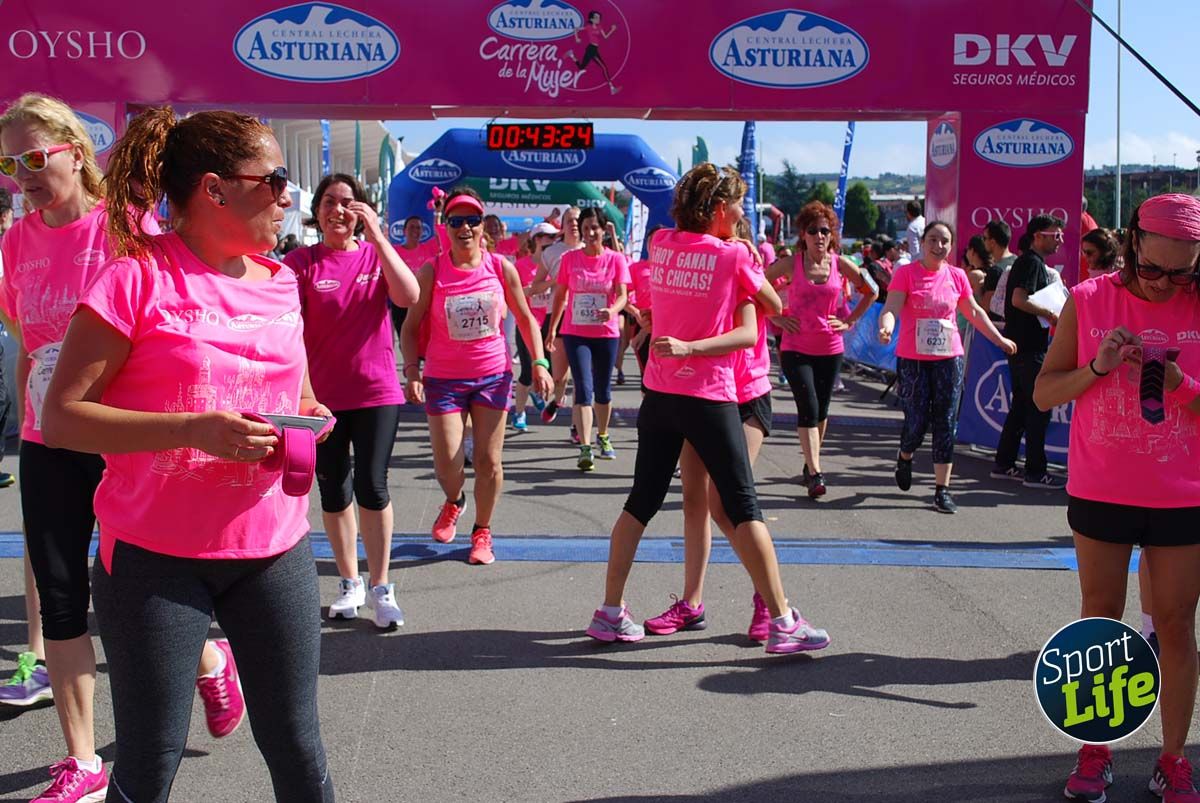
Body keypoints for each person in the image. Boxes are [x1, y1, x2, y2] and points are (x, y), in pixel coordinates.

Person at [41, 106, 335, 801]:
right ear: (215, 189)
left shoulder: (282, 280)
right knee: (150, 758)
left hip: (272, 548)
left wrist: (310, 414)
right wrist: (189, 429)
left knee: (297, 743)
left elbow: (297, 385)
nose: (288, 196)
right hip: (153, 558)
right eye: (276, 180)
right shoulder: (133, 280)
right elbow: (61, 418)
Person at [0, 95, 245, 801]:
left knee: (138, 580)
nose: (24, 175)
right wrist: (29, 423)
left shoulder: (125, 229)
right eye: (10, 164)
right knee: (61, 592)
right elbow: (32, 343)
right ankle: (81, 759)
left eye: (36, 158)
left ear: (76, 150)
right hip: (51, 438)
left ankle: (207, 653)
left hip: (123, 434)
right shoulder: (17, 242)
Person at [586, 163, 830, 654]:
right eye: (738, 205)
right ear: (719, 210)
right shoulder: (734, 254)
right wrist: (744, 264)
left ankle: (610, 611)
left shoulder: (661, 244)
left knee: (641, 501)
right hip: (709, 395)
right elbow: (770, 302)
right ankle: (783, 620)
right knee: (744, 506)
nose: (742, 215)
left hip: (660, 394)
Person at [1033, 193, 1200, 803]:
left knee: (1178, 626)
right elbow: (1045, 394)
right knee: (1101, 621)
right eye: (1154, 269)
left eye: (1181, 273)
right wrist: (1099, 368)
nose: (1164, 286)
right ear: (1132, 243)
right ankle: (1096, 748)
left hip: (1183, 494)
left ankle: (1174, 759)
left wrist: (1181, 385)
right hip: (1104, 487)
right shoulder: (1089, 299)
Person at [644, 216, 791, 639]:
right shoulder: (700, 267)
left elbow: (773, 307)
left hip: (746, 394)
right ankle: (691, 603)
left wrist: (744, 260)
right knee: (694, 500)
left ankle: (768, 597)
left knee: (727, 502)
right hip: (705, 393)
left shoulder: (739, 261)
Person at [285, 174, 419, 629]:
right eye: (328, 202)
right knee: (334, 488)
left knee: (372, 485)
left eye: (348, 203)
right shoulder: (301, 261)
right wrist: (301, 396)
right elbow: (287, 331)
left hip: (376, 392)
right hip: (321, 401)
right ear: (317, 212)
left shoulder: (373, 255)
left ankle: (382, 587)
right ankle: (350, 583)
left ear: (361, 210)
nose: (337, 210)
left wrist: (378, 235)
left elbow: (409, 295)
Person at [401, 187, 552, 564]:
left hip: (491, 375)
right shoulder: (431, 270)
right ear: (446, 226)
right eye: (456, 220)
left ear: (483, 225)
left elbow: (526, 318)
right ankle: (455, 500)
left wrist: (539, 363)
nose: (464, 227)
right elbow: (409, 327)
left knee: (488, 461)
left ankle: (482, 531)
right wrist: (411, 371)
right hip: (444, 379)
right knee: (448, 463)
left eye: (472, 220)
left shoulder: (501, 268)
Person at [878, 221, 1017, 513]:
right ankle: (905, 455)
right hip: (913, 360)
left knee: (946, 422)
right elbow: (891, 308)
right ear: (923, 242)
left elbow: (974, 312)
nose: (938, 246)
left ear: (952, 247)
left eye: (944, 241)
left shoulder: (957, 276)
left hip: (948, 358)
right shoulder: (906, 274)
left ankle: (942, 489)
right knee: (916, 421)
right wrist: (886, 327)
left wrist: (999, 338)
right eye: (932, 239)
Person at [771, 201, 876, 498]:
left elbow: (872, 290)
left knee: (822, 410)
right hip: (795, 347)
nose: (819, 236)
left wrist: (849, 321)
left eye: (825, 231)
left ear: (832, 236)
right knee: (809, 407)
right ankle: (816, 472)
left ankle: (809, 462)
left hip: (830, 346)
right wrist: (775, 316)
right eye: (813, 230)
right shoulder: (792, 263)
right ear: (802, 234)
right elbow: (754, 287)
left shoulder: (840, 264)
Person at [547, 206, 628, 470]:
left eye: (595, 228)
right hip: (575, 332)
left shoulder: (615, 259)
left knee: (603, 392)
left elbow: (623, 295)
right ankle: (584, 447)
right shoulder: (570, 259)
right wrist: (552, 330)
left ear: (604, 230)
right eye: (586, 229)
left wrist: (612, 310)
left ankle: (603, 435)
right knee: (583, 388)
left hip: (606, 332)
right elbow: (560, 295)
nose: (591, 233)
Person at [992, 214, 1067, 488]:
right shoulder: (1032, 263)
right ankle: (1035, 471)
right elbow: (1018, 299)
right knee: (1038, 408)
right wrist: (1050, 312)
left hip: (1020, 346)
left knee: (1022, 406)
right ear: (1038, 235)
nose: (1059, 240)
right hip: (1029, 348)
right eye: (1054, 234)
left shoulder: (1027, 263)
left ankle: (1004, 462)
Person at [533, 206, 582, 425]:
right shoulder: (552, 252)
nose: (573, 224)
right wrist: (557, 281)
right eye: (569, 220)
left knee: (582, 377)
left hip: (585, 316)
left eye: (577, 220)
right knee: (560, 376)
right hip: (559, 314)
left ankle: (577, 426)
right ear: (562, 226)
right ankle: (558, 401)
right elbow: (536, 286)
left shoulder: (592, 249)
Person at [511, 222, 558, 430]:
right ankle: (519, 413)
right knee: (527, 373)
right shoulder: (521, 266)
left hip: (549, 325)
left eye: (555, 237)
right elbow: (517, 294)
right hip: (528, 325)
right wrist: (544, 285)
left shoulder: (556, 263)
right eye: (549, 237)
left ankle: (533, 391)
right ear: (537, 239)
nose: (553, 241)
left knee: (550, 370)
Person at [391, 214, 441, 352]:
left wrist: (438, 213)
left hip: (425, 303)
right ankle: (411, 369)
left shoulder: (429, 248)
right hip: (402, 304)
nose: (415, 230)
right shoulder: (394, 252)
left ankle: (426, 371)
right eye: (412, 227)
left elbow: (441, 234)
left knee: (426, 342)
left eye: (418, 228)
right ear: (404, 231)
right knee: (406, 342)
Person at [566, 10, 620, 94]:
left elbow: (605, 37)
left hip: (594, 49)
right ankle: (612, 88)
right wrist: (576, 38)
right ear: (591, 19)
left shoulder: (600, 27)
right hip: (591, 49)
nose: (598, 19)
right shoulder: (588, 26)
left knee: (581, 67)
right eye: (596, 17)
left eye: (599, 17)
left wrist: (612, 30)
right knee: (604, 67)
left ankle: (571, 55)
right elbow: (576, 29)